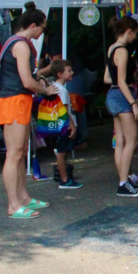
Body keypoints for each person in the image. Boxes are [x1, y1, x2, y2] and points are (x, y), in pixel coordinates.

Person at [0, 7, 59, 218]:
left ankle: (23, 198)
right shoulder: (21, 45)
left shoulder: (16, 42)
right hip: (14, 100)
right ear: (33, 25)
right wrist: (45, 89)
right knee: (14, 154)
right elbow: (26, 81)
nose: (43, 32)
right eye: (42, 27)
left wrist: (38, 81)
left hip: (17, 100)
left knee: (21, 151)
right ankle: (13, 205)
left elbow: (27, 77)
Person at [104, 16, 138, 198]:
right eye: (134, 34)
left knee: (119, 141)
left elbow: (108, 78)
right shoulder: (123, 51)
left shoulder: (111, 48)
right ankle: (123, 183)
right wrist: (134, 104)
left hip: (112, 95)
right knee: (132, 141)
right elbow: (120, 81)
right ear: (129, 31)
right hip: (122, 96)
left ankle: (124, 179)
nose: (134, 38)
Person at [49, 59, 83, 189]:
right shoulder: (62, 90)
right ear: (60, 74)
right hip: (64, 125)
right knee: (61, 153)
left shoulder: (54, 87)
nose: (72, 72)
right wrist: (72, 126)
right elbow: (63, 110)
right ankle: (65, 179)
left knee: (61, 152)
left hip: (57, 124)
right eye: (69, 71)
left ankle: (64, 176)